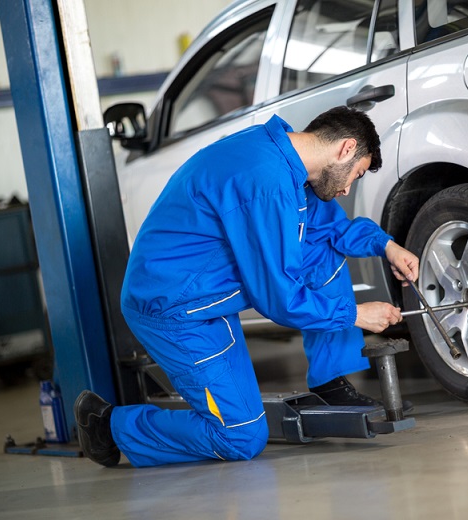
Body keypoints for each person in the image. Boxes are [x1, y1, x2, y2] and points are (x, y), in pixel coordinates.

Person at [75, 106, 419, 468]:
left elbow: (331, 230)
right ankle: (108, 425)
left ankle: (329, 381)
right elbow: (279, 297)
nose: (348, 187)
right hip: (173, 309)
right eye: (356, 174)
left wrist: (387, 246)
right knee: (241, 435)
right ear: (346, 148)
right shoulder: (266, 183)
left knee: (324, 250)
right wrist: (356, 315)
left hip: (207, 302)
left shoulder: (285, 161)